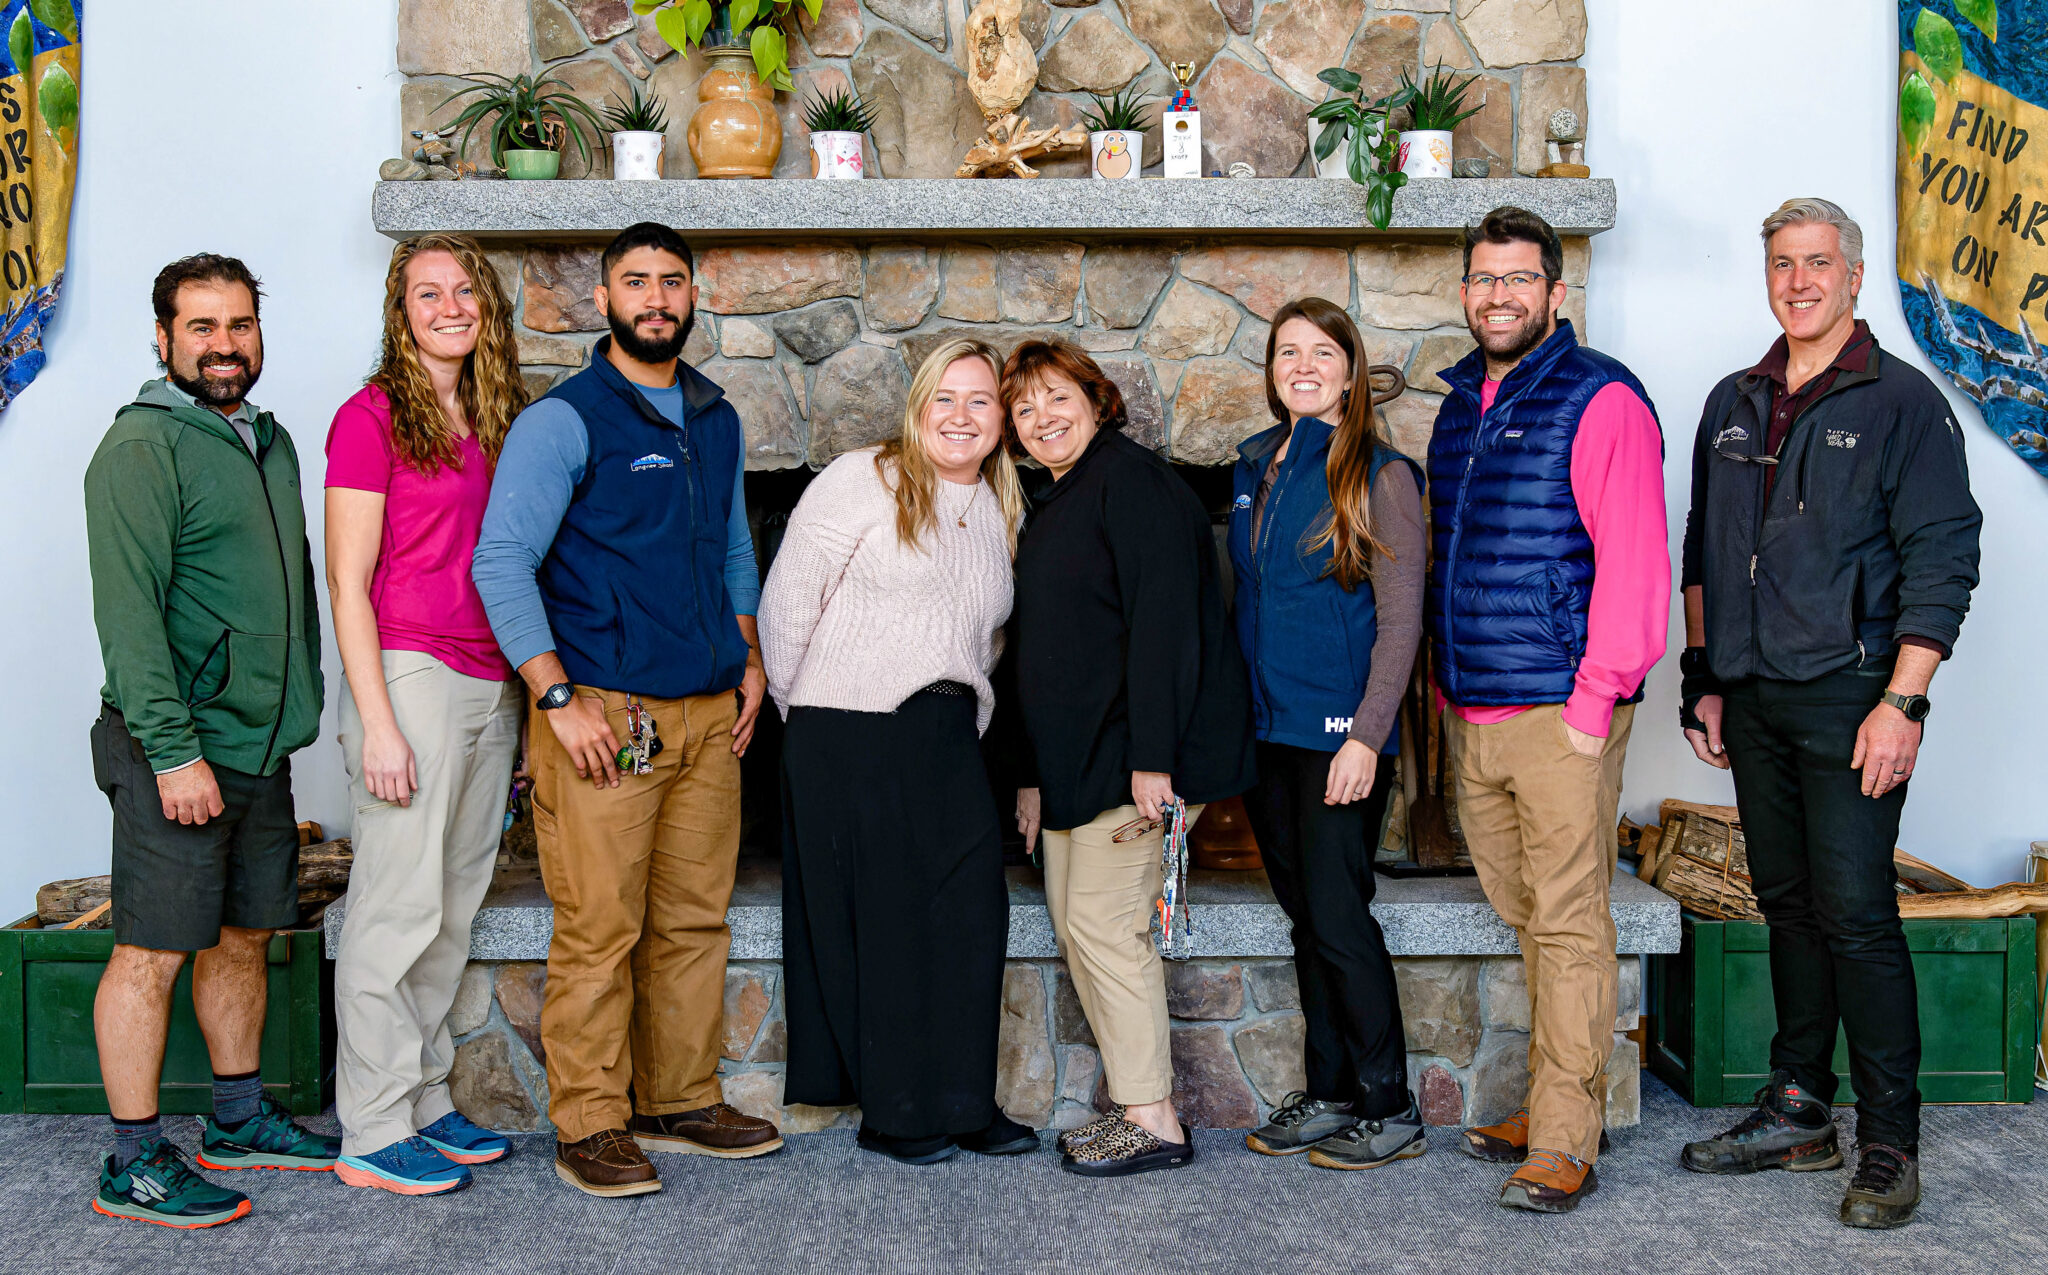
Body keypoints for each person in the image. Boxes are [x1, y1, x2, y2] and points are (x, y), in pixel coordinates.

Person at [1676, 198, 1981, 1230]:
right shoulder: (1732, 399)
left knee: (1854, 914)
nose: (1796, 280)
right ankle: (1798, 1108)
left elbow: (1943, 561)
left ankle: (1888, 1141)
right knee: (1786, 905)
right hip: (1752, 697)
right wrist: (1702, 677)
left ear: (1853, 277)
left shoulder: (1901, 402)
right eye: (1779, 263)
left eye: (1816, 263)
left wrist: (1903, 701)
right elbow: (1701, 554)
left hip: (1853, 698)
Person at [472, 221, 782, 1198]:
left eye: (673, 281)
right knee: (599, 927)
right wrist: (555, 698)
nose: (656, 298)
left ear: (694, 297)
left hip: (704, 714)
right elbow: (499, 562)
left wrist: (750, 656)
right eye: (635, 282)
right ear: (602, 301)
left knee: (693, 922)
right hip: (602, 713)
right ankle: (591, 1123)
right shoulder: (562, 421)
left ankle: (678, 1099)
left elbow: (734, 548)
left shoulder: (715, 416)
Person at [83, 254, 337, 1228]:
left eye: (239, 326)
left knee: (243, 938)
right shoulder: (142, 449)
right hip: (174, 748)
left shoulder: (269, 441)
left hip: (258, 748)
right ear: (163, 338)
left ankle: (235, 1120)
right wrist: (173, 751)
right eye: (202, 327)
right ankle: (134, 1163)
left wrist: (296, 711)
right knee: (149, 952)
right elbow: (129, 619)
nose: (224, 345)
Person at [1426, 206, 1669, 1212]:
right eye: (1483, 279)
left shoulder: (1599, 397)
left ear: (1554, 293)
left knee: (1567, 924)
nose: (1497, 296)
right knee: (1529, 919)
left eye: (1516, 279)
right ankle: (1557, 1096)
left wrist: (1593, 698)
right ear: (1464, 293)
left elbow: (1636, 562)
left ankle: (1566, 1138)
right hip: (1471, 707)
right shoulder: (1456, 407)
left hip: (1558, 713)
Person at [761, 339, 1037, 1166]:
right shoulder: (862, 477)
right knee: (884, 927)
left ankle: (964, 1099)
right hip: (848, 728)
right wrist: (809, 721)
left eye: (980, 400)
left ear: (1001, 419)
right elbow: (785, 610)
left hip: (950, 734)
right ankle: (895, 1109)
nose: (961, 415)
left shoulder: (998, 506)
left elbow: (983, 639)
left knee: (968, 917)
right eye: (944, 398)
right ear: (918, 408)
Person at [1004, 339, 1255, 1177]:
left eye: (1055, 398)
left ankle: (1155, 1117)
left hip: (1131, 758)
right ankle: (1136, 1102)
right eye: (1024, 408)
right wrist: (1034, 775)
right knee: (1081, 929)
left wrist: (1156, 760)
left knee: (1111, 933)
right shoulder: (1062, 496)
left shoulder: (1135, 485)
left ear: (1095, 396)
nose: (1042, 419)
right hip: (1075, 761)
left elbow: (1164, 634)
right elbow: (1046, 649)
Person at [325, 234, 528, 1195]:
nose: (448, 306)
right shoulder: (369, 418)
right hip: (409, 671)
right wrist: (376, 721)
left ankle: (423, 1100)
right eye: (426, 293)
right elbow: (346, 581)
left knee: (451, 909)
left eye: (463, 291)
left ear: (485, 305)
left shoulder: (495, 415)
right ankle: (368, 1127)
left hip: (491, 681)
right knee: (394, 906)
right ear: (400, 312)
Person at [1229, 298, 1428, 1171]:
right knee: (1305, 916)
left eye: (1321, 351)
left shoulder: (1380, 475)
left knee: (1341, 917)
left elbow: (1401, 621)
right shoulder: (1259, 467)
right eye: (1286, 352)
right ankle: (1333, 1089)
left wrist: (1366, 737)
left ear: (1351, 368)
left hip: (1340, 736)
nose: (1301, 364)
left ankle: (1391, 1104)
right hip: (1268, 733)